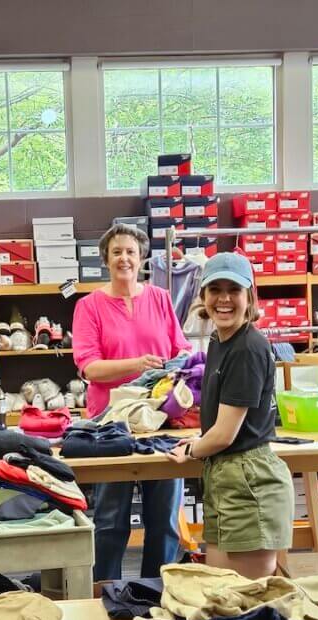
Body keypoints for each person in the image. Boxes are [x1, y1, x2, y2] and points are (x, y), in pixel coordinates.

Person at [72, 223, 191, 580]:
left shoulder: (159, 298)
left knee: (165, 518)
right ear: (106, 260)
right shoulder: (89, 306)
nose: (124, 258)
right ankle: (105, 591)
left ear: (141, 259)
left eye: (131, 252)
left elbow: (181, 349)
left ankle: (159, 590)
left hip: (160, 423)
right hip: (111, 427)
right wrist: (138, 364)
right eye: (117, 252)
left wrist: (179, 366)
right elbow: (90, 367)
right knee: (110, 519)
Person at [166, 252, 293, 578]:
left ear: (249, 296)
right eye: (215, 289)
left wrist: (192, 449)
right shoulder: (220, 340)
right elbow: (222, 422)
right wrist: (201, 440)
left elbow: (225, 435)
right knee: (224, 592)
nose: (223, 299)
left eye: (233, 290)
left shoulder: (248, 348)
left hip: (247, 479)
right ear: (203, 296)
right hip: (226, 474)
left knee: (246, 597)